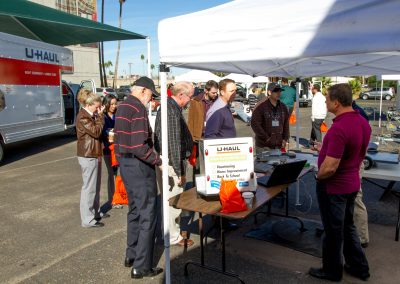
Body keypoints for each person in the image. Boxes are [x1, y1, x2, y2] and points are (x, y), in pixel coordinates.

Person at [309, 83, 370, 282]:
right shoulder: (362, 122)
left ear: (336, 102)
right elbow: (353, 152)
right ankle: (359, 267)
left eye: (327, 99)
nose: (325, 102)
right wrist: (324, 148)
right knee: (347, 227)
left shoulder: (340, 127)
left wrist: (319, 176)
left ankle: (332, 271)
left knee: (333, 232)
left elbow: (331, 167)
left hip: (335, 188)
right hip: (351, 183)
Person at [114, 77, 163, 279]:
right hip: (139, 166)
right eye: (151, 95)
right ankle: (141, 266)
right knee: (148, 214)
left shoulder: (122, 106)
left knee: (134, 211)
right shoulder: (138, 109)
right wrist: (158, 159)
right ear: (143, 91)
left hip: (125, 164)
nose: (151, 100)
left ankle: (131, 255)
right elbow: (139, 146)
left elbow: (120, 140)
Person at [154, 81, 195, 247]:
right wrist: (179, 171)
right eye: (190, 97)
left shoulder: (170, 107)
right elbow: (173, 144)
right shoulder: (171, 111)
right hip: (171, 163)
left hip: (171, 161)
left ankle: (173, 231)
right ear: (180, 95)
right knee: (173, 200)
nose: (190, 100)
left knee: (172, 199)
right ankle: (172, 236)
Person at [76, 89, 107, 228]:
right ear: (89, 104)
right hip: (88, 154)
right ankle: (87, 219)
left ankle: (95, 212)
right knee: (89, 187)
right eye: (97, 106)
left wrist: (98, 116)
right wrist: (100, 117)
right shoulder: (83, 116)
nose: (98, 109)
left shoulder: (89, 115)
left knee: (95, 186)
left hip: (94, 153)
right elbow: (96, 131)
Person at [251, 82, 289, 154]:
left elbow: (286, 124)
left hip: (279, 146)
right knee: (264, 165)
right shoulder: (260, 106)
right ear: (269, 92)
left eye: (279, 91)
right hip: (264, 146)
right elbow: (255, 124)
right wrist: (267, 138)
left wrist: (285, 139)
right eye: (276, 91)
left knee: (279, 164)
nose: (278, 93)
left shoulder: (283, 107)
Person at [352, 100, 370, 247]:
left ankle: (362, 238)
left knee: (356, 199)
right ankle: (358, 235)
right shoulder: (358, 114)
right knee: (355, 199)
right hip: (356, 162)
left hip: (354, 165)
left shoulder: (357, 116)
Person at [101, 95, 122, 210]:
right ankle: (112, 199)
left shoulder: (117, 114)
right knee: (111, 173)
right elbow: (102, 131)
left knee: (117, 173)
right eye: (112, 104)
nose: (114, 106)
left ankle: (119, 196)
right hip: (108, 149)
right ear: (107, 104)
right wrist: (110, 132)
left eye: (115, 103)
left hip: (118, 148)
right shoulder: (103, 116)